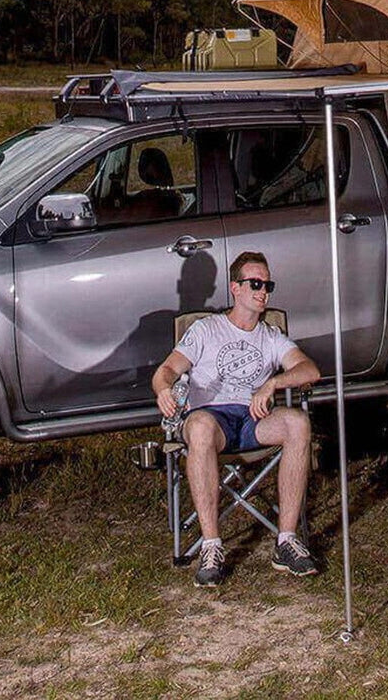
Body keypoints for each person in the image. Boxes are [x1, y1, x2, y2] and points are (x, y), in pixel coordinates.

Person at [152, 251, 322, 587]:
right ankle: (212, 546)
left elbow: (310, 370)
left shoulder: (271, 337)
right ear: (235, 288)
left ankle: (286, 541)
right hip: (211, 421)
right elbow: (167, 369)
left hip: (251, 419)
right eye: (255, 283)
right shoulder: (206, 329)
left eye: (267, 285)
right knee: (198, 427)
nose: (263, 292)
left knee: (298, 422)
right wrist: (163, 390)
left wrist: (273, 382)